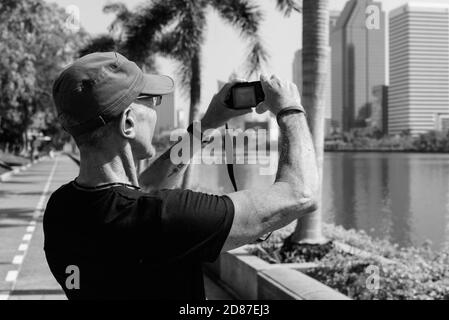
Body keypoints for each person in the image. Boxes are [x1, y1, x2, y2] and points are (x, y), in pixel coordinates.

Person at [44, 52, 319, 300]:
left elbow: (144, 188)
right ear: (128, 122)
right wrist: (290, 110)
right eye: (152, 101)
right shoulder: (166, 217)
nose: (156, 109)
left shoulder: (60, 210)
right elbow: (300, 194)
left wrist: (206, 125)